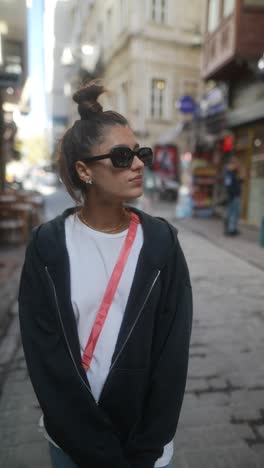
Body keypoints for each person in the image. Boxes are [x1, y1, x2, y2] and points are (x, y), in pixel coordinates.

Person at [18, 81, 193, 468]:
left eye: (139, 153)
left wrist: (148, 445)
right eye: (120, 156)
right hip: (71, 443)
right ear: (84, 170)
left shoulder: (162, 242)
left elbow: (172, 353)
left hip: (145, 449)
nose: (137, 164)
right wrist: (87, 444)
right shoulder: (48, 247)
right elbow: (44, 356)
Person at [223, 154, 245, 236]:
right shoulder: (229, 173)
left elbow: (236, 183)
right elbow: (229, 186)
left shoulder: (232, 173)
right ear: (231, 164)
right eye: (235, 164)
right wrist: (231, 195)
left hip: (234, 196)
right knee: (232, 213)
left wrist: (240, 179)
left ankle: (232, 229)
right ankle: (230, 230)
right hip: (233, 196)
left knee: (234, 213)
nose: (236, 166)